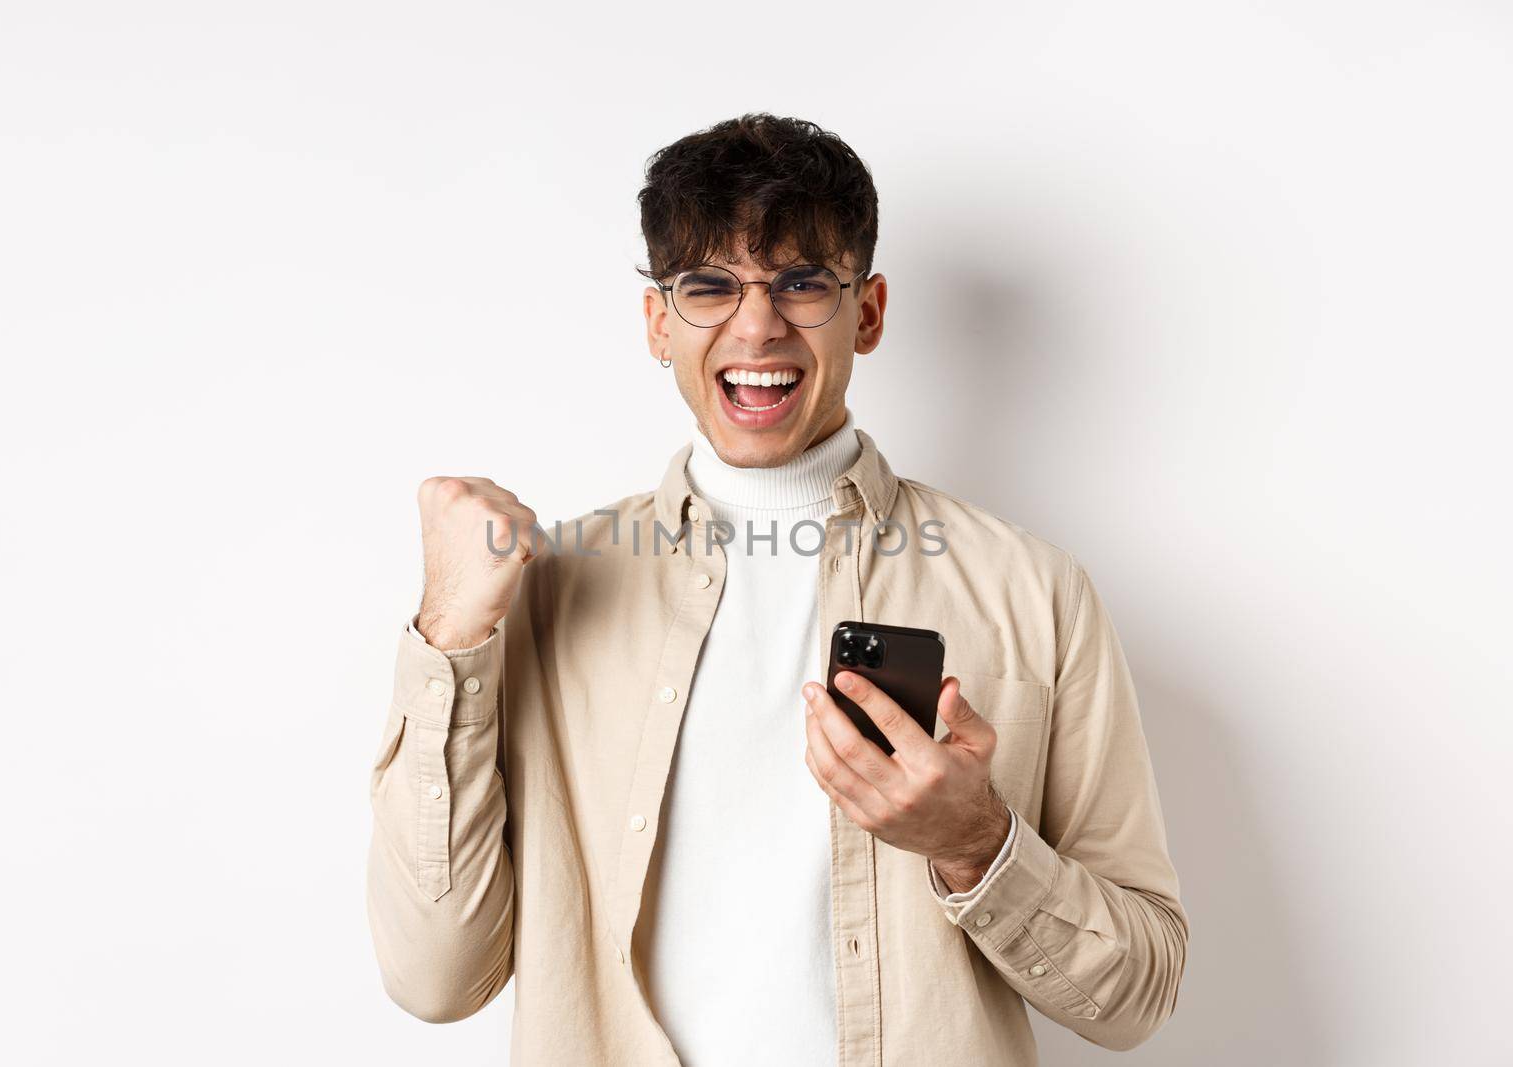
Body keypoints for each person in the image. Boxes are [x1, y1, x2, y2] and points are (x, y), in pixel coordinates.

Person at [365, 113, 1188, 1066]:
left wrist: (977, 841)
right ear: (658, 322)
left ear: (868, 312)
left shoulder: (1033, 592)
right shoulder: (542, 592)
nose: (756, 325)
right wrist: (448, 639)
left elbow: (1140, 995)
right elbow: (435, 978)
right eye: (709, 287)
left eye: (802, 284)